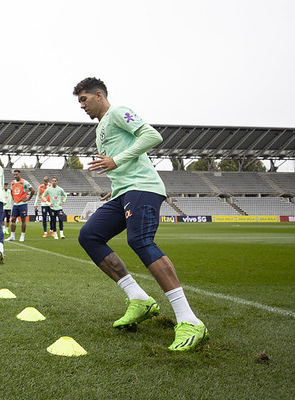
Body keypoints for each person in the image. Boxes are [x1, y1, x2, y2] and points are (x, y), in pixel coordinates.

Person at [73, 77, 207, 351]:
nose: (82, 106)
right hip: (124, 190)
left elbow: (152, 136)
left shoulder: (118, 111)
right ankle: (139, 298)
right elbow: (121, 161)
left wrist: (116, 161)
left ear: (99, 95)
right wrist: (116, 185)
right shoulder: (100, 130)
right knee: (89, 235)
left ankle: (190, 320)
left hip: (143, 188)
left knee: (140, 240)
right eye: (79, 102)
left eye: (84, 99)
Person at [8, 169, 35, 242]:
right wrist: (13, 198)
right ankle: (12, 236)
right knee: (13, 219)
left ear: (20, 174)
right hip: (16, 204)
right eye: (14, 175)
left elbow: (32, 190)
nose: (15, 176)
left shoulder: (24, 182)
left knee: (23, 220)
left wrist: (28, 198)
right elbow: (11, 191)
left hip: (23, 204)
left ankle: (22, 236)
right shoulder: (12, 183)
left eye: (17, 174)